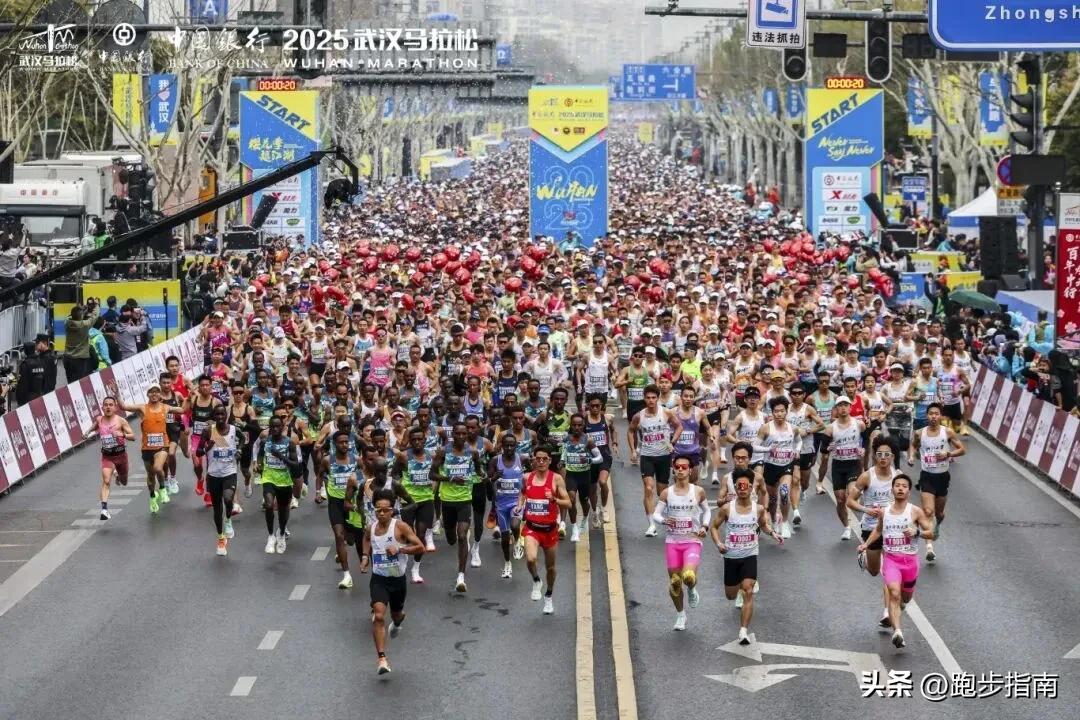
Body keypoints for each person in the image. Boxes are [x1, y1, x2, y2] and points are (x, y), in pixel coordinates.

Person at [856, 474, 935, 648]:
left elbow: (932, 533)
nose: (900, 488)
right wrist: (865, 545)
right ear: (892, 490)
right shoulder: (884, 512)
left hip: (910, 562)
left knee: (905, 598)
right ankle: (897, 632)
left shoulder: (915, 511)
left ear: (909, 491)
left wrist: (917, 532)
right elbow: (878, 531)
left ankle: (901, 606)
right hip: (891, 560)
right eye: (897, 485)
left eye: (904, 486)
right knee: (894, 593)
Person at [710, 468, 782, 645]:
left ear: (751, 488)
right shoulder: (727, 509)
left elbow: (763, 525)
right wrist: (719, 543)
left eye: (745, 486)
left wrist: (773, 533)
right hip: (731, 556)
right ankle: (738, 593)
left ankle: (743, 631)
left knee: (748, 590)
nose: (742, 489)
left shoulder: (758, 509)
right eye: (739, 486)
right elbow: (714, 527)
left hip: (750, 554)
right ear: (735, 488)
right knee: (730, 595)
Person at [360, 488, 425, 675]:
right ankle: (382, 659)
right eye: (378, 510)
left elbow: (420, 547)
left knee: (396, 615)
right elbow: (366, 539)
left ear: (392, 510)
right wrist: (365, 557)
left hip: (397, 580)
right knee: (379, 615)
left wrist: (400, 549)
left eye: (385, 510)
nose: (381, 513)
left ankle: (397, 621)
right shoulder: (371, 528)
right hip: (379, 579)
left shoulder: (400, 527)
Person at [651, 456, 710, 631]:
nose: (680, 470)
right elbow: (656, 514)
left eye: (684, 467)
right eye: (677, 467)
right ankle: (680, 614)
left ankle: (691, 589)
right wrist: (664, 521)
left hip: (692, 540)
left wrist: (705, 526)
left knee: (688, 576)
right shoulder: (666, 493)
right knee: (675, 582)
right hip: (673, 542)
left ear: (690, 470)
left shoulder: (698, 491)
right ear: (674, 470)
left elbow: (707, 511)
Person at [847, 436, 898, 627]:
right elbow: (850, 501)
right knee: (875, 571)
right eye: (879, 454)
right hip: (870, 527)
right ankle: (865, 558)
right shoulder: (867, 476)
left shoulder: (897, 476)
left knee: (888, 571)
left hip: (892, 528)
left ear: (892, 457)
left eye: (887, 454)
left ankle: (887, 612)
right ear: (875, 456)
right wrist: (866, 510)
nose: (883, 457)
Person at [515, 444, 571, 615]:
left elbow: (568, 503)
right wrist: (520, 505)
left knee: (551, 568)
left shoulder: (556, 479)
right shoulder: (526, 477)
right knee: (531, 559)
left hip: (550, 530)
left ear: (549, 460)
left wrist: (554, 499)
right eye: (537, 458)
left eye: (544, 459)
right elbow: (523, 492)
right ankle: (536, 580)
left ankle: (548, 596)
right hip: (532, 528)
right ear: (533, 460)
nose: (540, 462)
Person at [907, 403, 965, 563]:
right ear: (927, 416)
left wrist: (948, 454)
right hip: (926, 476)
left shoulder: (947, 432)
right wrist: (911, 457)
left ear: (940, 416)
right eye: (931, 413)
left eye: (936, 413)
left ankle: (937, 524)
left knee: (938, 513)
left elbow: (962, 449)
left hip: (942, 477)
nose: (933, 416)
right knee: (928, 511)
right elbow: (913, 445)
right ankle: (929, 547)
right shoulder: (920, 433)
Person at [117, 386, 186, 514]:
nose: (154, 394)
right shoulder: (142, 408)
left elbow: (182, 410)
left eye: (156, 392)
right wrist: (117, 393)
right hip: (147, 448)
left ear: (160, 394)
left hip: (162, 446)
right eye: (151, 392)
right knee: (150, 476)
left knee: (158, 468)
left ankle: (163, 489)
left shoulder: (166, 407)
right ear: (148, 394)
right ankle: (152, 497)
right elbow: (123, 407)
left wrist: (191, 397)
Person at [628, 384, 682, 537]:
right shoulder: (639, 416)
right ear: (644, 399)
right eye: (648, 398)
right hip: (647, 456)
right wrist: (633, 450)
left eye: (653, 397)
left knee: (662, 492)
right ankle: (651, 524)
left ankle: (671, 518)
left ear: (658, 398)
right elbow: (631, 431)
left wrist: (672, 443)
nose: (651, 400)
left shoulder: (666, 412)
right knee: (648, 488)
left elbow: (679, 427)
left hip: (664, 456)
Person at [393, 426, 442, 584]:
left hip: (426, 500)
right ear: (410, 441)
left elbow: (436, 475)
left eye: (420, 439)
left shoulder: (432, 456)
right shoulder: (403, 457)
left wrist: (433, 489)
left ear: (425, 440)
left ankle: (416, 568)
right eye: (413, 440)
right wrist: (399, 492)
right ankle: (402, 562)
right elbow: (394, 474)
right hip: (409, 501)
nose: (417, 442)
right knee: (408, 535)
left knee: (420, 534)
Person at [195, 405, 243, 556]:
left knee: (228, 499)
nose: (220, 417)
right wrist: (208, 446)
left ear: (226, 415)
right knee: (217, 509)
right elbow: (198, 452)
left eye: (223, 414)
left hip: (230, 472)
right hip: (214, 475)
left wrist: (239, 450)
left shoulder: (234, 430)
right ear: (214, 416)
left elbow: (243, 439)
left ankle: (228, 520)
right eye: (217, 415)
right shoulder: (208, 431)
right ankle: (221, 538)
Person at [818, 395, 865, 541]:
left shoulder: (859, 424)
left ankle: (864, 517)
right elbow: (823, 449)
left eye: (846, 405)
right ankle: (847, 527)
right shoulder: (830, 428)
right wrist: (828, 448)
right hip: (838, 465)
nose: (843, 408)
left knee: (852, 493)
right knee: (840, 499)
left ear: (850, 408)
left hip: (853, 464)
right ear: (836, 409)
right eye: (840, 405)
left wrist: (863, 449)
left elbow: (866, 439)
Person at [255, 415, 302, 554]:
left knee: (282, 512)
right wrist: (259, 465)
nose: (275, 429)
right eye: (272, 426)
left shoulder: (289, 443)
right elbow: (260, 456)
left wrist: (281, 457)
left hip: (284, 481)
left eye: (277, 426)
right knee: (269, 505)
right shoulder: (265, 442)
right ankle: (270, 536)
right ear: (269, 427)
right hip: (268, 478)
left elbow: (295, 464)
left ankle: (281, 534)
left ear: (282, 427)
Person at [488, 431, 525, 578]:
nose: (509, 448)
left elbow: (532, 473)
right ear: (502, 446)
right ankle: (507, 564)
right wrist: (494, 477)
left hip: (516, 501)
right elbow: (488, 480)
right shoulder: (495, 461)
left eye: (512, 445)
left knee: (515, 526)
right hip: (501, 504)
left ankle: (517, 542)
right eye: (506, 445)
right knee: (504, 537)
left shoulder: (522, 459)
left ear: (516, 446)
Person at [95, 396, 134, 520]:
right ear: (102, 407)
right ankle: (104, 510)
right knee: (106, 481)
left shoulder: (121, 421)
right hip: (107, 457)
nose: (108, 407)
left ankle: (117, 475)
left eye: (111, 405)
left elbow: (133, 436)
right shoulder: (99, 419)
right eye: (105, 405)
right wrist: (87, 432)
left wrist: (122, 434)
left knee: (124, 482)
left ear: (115, 407)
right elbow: (94, 426)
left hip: (121, 456)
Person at [63, 303, 97, 383]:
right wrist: (96, 306)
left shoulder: (67, 323)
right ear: (81, 316)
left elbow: (70, 317)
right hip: (80, 359)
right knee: (78, 383)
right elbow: (94, 316)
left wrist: (81, 311)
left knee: (70, 382)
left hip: (67, 357)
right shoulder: (85, 325)